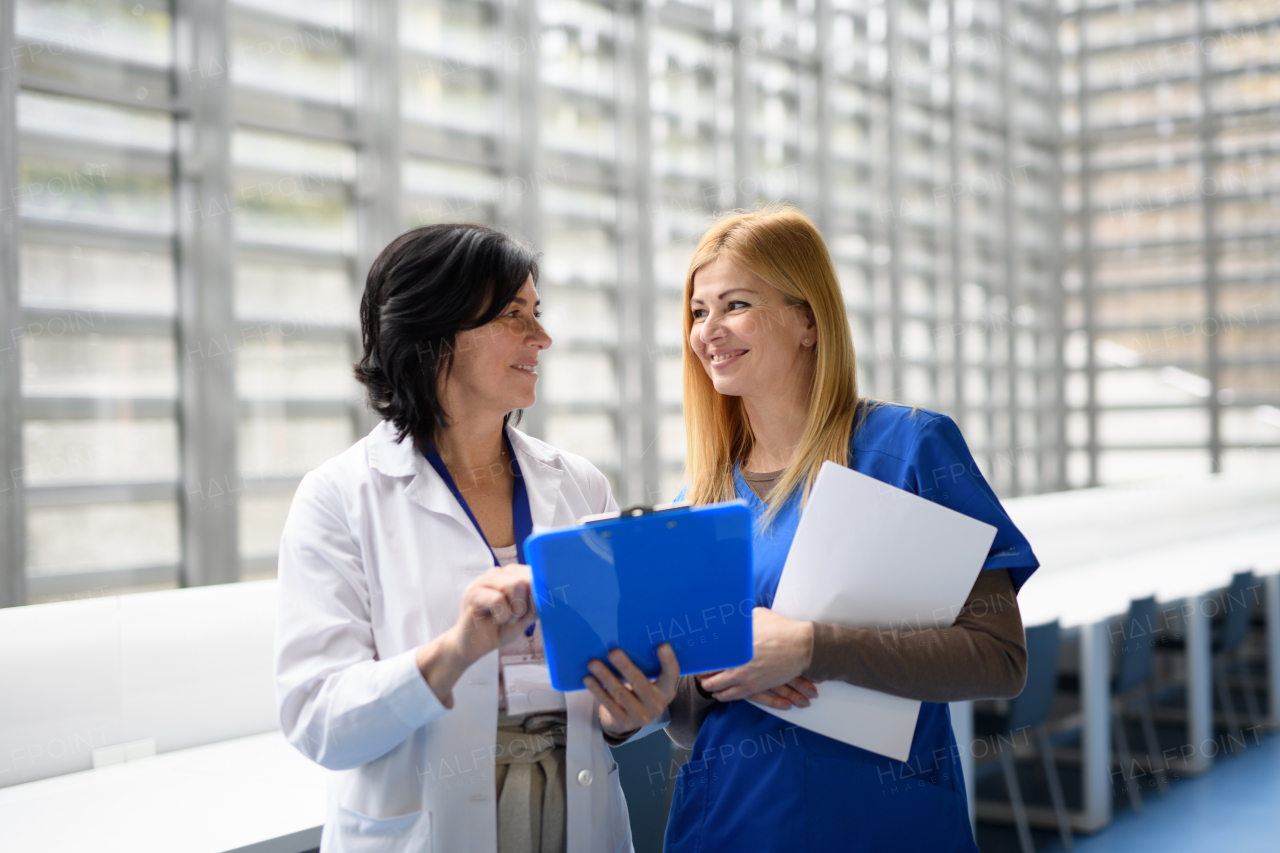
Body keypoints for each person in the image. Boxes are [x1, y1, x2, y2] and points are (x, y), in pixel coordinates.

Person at [274, 223, 679, 853]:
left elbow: (602, 688)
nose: (541, 338)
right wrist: (455, 650)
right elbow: (317, 720)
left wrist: (624, 715)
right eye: (514, 316)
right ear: (436, 337)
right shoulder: (340, 498)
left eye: (537, 313)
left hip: (576, 818)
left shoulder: (578, 485)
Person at [662, 207, 1039, 852]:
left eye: (736, 304)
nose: (709, 331)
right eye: (698, 312)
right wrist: (703, 675)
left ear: (808, 320)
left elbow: (999, 660)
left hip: (882, 822)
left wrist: (812, 647)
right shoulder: (697, 502)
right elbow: (684, 721)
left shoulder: (910, 449)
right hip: (732, 822)